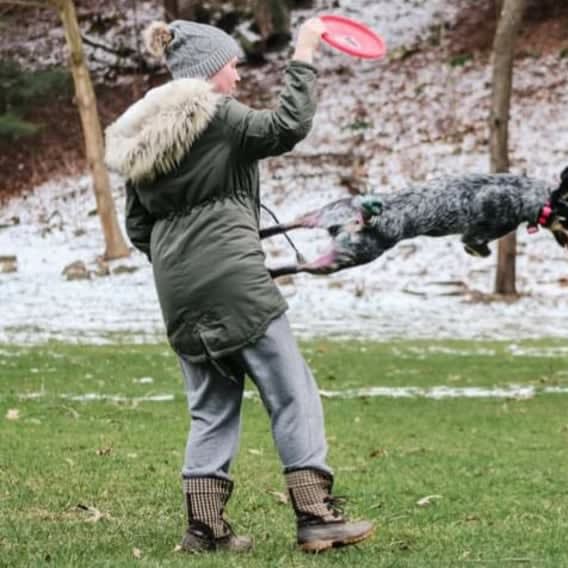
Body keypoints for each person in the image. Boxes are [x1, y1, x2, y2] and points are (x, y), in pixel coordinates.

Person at [104, 17, 374, 554]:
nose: (238, 77)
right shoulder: (219, 114)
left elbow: (139, 229)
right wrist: (305, 52)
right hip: (235, 284)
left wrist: (188, 258)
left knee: (212, 405)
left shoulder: (146, 138)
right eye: (233, 66)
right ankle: (315, 515)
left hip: (177, 292)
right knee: (291, 391)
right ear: (208, 71)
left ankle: (205, 529)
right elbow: (287, 126)